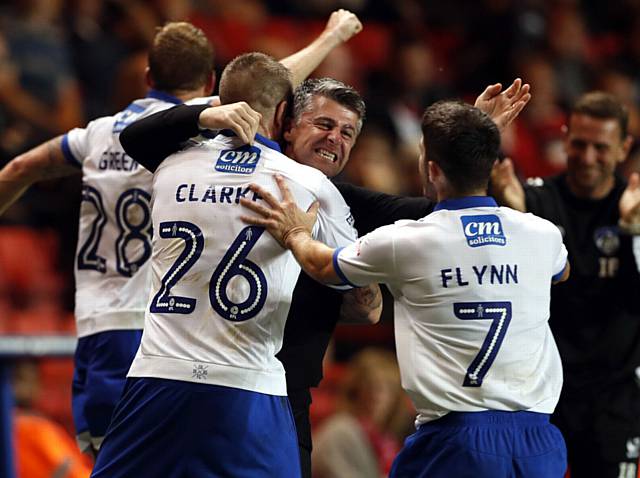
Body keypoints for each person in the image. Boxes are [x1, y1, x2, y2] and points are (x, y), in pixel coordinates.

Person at [120, 76, 531, 478]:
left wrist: (472, 139)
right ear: (287, 123)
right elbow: (137, 139)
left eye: (348, 133)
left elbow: (435, 214)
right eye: (324, 124)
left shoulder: (336, 200)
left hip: (274, 393)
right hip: (242, 383)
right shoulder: (259, 177)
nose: (336, 138)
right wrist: (211, 113)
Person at [0, 10, 364, 458]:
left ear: (149, 75)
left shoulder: (98, 134)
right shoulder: (194, 143)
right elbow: (266, 87)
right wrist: (331, 37)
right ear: (211, 81)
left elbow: (18, 169)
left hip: (98, 330)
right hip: (169, 335)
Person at [241, 100, 571, 478]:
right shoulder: (540, 233)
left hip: (456, 440)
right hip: (540, 442)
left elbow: (320, 264)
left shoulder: (408, 242)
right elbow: (561, 272)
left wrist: (295, 231)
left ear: (431, 168)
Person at [91, 52, 366, 478]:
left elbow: (136, 136)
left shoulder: (169, 165)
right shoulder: (309, 184)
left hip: (158, 376)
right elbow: (361, 294)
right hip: (249, 386)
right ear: (282, 114)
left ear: (219, 99)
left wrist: (204, 114)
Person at [491, 91, 640, 478]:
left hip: (615, 397)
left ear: (624, 148)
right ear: (565, 136)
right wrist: (514, 217)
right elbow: (504, 284)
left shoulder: (636, 207)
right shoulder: (533, 200)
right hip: (543, 393)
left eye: (601, 147)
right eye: (579, 143)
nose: (588, 157)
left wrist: (633, 235)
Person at [312, 348, 408, 478]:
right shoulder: (340, 430)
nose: (377, 396)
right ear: (355, 391)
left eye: (387, 388)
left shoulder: (387, 439)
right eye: (370, 387)